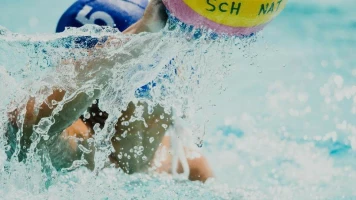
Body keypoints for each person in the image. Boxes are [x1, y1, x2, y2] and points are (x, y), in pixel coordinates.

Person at [6, 0, 213, 182]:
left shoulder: (184, 165)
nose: (99, 116)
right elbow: (25, 125)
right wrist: (133, 43)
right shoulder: (84, 154)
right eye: (92, 99)